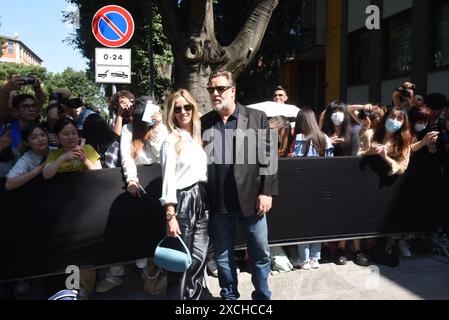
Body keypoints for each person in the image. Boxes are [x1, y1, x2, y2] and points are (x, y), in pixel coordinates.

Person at [201, 70, 278, 300]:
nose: (215, 93)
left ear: (232, 91)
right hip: (219, 204)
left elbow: (269, 157)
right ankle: (229, 298)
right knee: (223, 257)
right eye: (211, 89)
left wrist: (266, 192)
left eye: (220, 88)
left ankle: (262, 297)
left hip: (252, 200)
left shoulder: (257, 117)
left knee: (260, 254)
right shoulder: (204, 122)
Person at [159, 89, 209, 300]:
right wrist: (170, 215)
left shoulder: (197, 137)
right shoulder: (170, 140)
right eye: (177, 109)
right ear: (172, 113)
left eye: (186, 107)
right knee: (180, 262)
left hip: (202, 198)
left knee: (199, 259)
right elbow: (168, 179)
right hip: (183, 201)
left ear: (193, 108)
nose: (183, 112)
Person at [120, 95, 168, 273]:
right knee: (141, 222)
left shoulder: (161, 128)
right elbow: (126, 156)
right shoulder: (128, 129)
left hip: (159, 177)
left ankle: (161, 261)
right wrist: (131, 179)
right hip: (139, 179)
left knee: (161, 221)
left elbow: (160, 155)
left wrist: (156, 129)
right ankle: (143, 259)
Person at [5, 123, 48, 190]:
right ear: (26, 143)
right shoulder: (26, 159)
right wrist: (37, 170)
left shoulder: (55, 150)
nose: (41, 139)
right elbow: (9, 184)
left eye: (43, 135)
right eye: (34, 137)